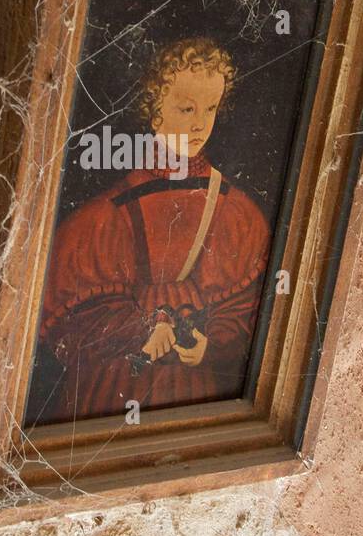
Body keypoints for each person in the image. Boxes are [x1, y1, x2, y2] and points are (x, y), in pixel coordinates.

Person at [37, 35, 271, 422]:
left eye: (210, 108)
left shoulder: (234, 209)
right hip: (116, 387)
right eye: (186, 108)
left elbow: (246, 305)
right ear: (153, 108)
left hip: (196, 394)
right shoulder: (107, 216)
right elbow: (71, 320)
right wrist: (142, 329)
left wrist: (209, 345)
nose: (200, 124)